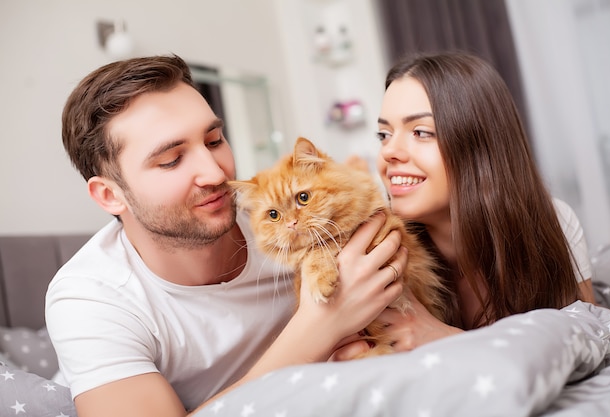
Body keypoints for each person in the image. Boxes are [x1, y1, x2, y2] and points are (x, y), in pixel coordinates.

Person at [45, 55, 406, 417]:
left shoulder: (276, 220)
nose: (215, 173)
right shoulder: (90, 298)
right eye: (172, 160)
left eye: (214, 140)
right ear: (110, 195)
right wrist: (320, 328)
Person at [368, 51, 597, 348]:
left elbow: (594, 338)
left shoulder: (551, 222)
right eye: (383, 134)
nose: (388, 152)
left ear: (479, 147)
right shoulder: (377, 250)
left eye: (421, 132)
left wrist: (446, 337)